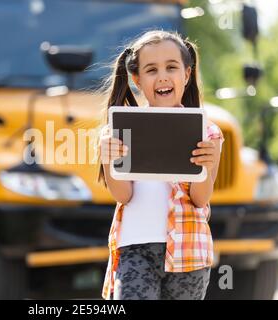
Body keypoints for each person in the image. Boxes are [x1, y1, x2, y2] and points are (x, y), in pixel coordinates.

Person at [96, 30, 225, 300]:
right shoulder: (120, 131)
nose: (163, 76)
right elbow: (123, 195)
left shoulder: (208, 133)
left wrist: (207, 166)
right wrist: (107, 159)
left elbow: (200, 200)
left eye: (172, 67)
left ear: (186, 75)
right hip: (135, 249)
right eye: (151, 70)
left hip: (189, 252)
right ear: (137, 79)